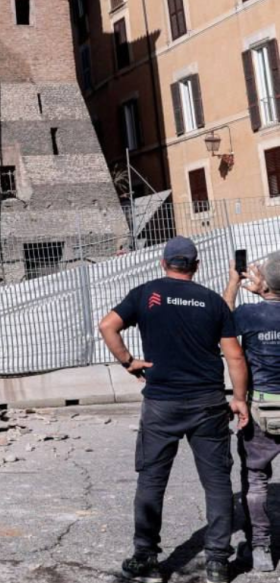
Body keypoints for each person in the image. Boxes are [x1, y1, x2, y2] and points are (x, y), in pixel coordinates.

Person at [99, 236, 249, 583]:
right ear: (196, 266)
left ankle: (146, 559)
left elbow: (107, 326)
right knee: (217, 482)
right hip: (207, 403)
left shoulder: (145, 293)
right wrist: (239, 398)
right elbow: (235, 356)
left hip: (161, 403)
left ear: (163, 263)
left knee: (152, 479)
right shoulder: (212, 301)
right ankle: (217, 563)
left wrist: (129, 362)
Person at [223, 254, 280, 572]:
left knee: (255, 478)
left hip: (261, 406)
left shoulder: (249, 314)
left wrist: (235, 282)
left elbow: (222, 317)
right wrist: (269, 290)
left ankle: (261, 547)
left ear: (265, 282)